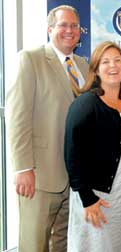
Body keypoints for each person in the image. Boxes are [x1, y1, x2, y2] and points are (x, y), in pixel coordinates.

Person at [5, 5, 88, 252]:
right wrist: (23, 168)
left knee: (63, 243)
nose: (69, 30)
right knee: (34, 244)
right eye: (63, 25)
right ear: (50, 28)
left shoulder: (83, 65)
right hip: (40, 175)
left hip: (73, 176)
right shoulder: (31, 59)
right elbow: (17, 117)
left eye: (74, 26)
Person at [64, 41, 121, 252]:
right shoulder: (85, 105)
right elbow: (72, 154)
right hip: (100, 195)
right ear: (95, 69)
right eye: (105, 62)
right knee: (100, 244)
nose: (112, 66)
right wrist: (88, 199)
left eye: (117, 60)